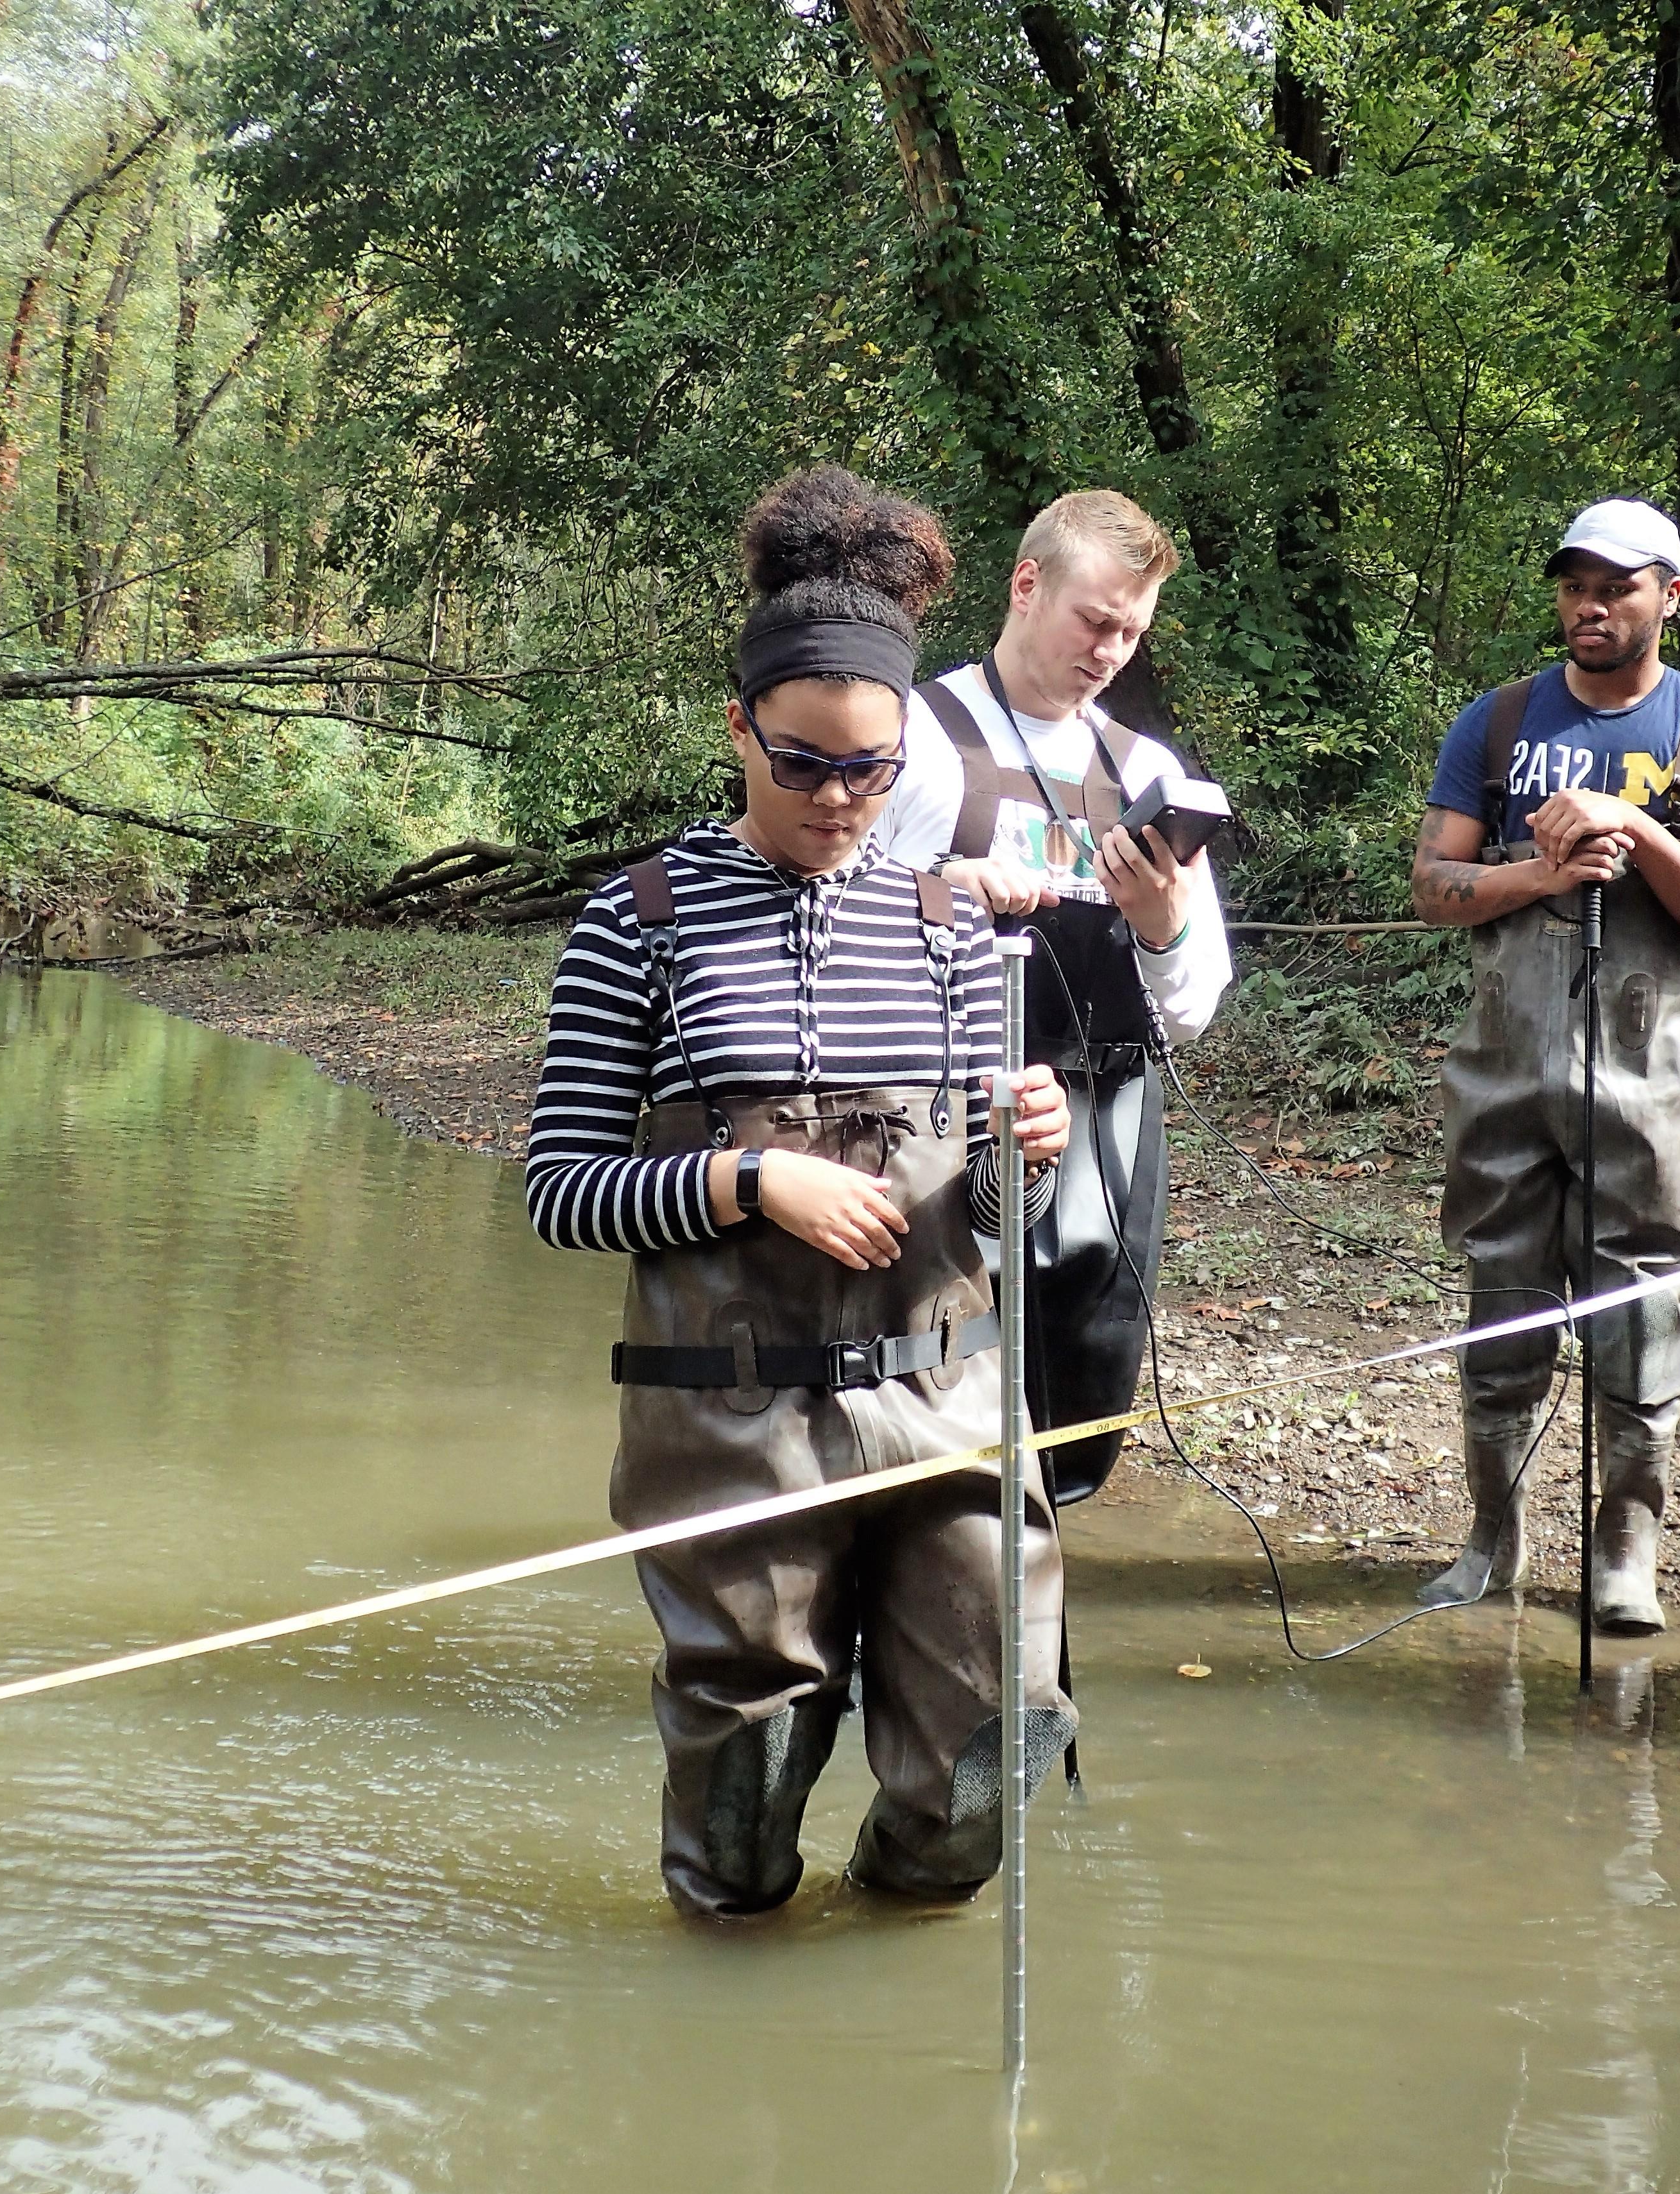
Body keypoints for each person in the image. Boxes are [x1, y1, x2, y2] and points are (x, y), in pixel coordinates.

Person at [524, 465, 1075, 1918]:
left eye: (874, 770)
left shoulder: (959, 924)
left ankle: (891, 1940)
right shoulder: (634, 921)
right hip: (729, 1418)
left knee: (991, 1756)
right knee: (745, 1808)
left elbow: (1002, 1234)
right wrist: (746, 1179)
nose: (842, 802)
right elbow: (560, 1190)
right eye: (805, 765)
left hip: (948, 1406)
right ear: (740, 731)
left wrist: (1036, 1147)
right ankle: (738, 2032)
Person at [1407, 498, 1680, 1630]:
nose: (1590, 604)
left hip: (1646, 1062)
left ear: (1670, 596)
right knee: (1501, 1288)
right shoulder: (1497, 721)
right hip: (1505, 1059)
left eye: (1617, 586)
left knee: (1640, 1296)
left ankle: (1627, 1548)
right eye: (1576, 584)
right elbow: (1434, 889)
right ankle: (1494, 1538)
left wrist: (1641, 834)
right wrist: (1542, 870)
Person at [875, 489, 1232, 1508]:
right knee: (936, 1386)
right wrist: (949, 891)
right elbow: (835, 926)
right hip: (946, 1116)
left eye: (1133, 630)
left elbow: (1196, 1006)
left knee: (1080, 1415)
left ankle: (1035, 1623)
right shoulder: (915, 740)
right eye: (1096, 620)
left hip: (1109, 1124)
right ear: (1027, 586)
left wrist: (1163, 923)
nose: (1112, 650)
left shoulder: (1149, 772)